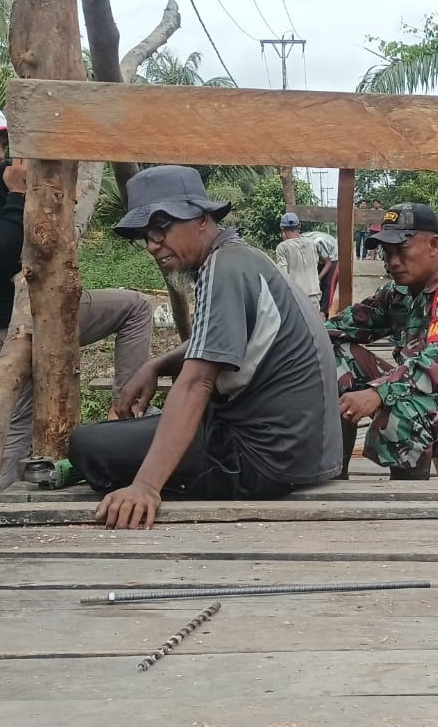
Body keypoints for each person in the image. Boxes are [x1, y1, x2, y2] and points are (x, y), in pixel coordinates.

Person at [69, 166, 342, 527]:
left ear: (201, 218)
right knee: (126, 434)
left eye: (160, 229)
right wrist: (156, 365)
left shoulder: (222, 268)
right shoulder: (241, 258)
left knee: (88, 447)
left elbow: (198, 381)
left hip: (263, 462)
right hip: (301, 452)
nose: (153, 245)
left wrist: (146, 486)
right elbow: (219, 342)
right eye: (145, 236)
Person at [0, 99, 153, 490]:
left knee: (21, 422)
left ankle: (2, 501)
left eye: (1, 143)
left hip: (36, 310)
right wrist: (15, 196)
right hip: (14, 321)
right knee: (134, 308)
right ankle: (125, 417)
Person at [326, 202, 438, 480]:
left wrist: (377, 393)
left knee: (404, 413)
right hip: (418, 394)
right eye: (387, 252)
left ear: (434, 245)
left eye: (402, 250)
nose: (393, 261)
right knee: (331, 355)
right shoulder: (399, 292)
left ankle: (409, 501)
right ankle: (334, 476)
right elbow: (344, 326)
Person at [274, 212, 320, 306]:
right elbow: (315, 263)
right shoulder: (311, 243)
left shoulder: (282, 247)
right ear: (299, 226)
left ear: (282, 229)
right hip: (314, 294)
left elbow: (283, 274)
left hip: (297, 296)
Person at [302, 228, 339, 318]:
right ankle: (316, 308)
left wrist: (318, 278)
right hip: (321, 256)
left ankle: (324, 312)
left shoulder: (317, 243)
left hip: (333, 256)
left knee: (328, 283)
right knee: (318, 284)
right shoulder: (299, 243)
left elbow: (328, 263)